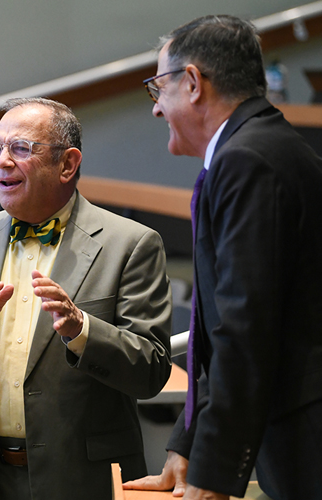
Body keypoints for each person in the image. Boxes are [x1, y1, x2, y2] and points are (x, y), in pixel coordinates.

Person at [0, 97, 172, 499]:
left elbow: (151, 370)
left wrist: (82, 330)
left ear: (67, 164)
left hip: (82, 480)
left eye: (20, 149)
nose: (1, 162)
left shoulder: (131, 244)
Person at [123, 15, 322, 500]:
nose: (156, 111)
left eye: (158, 90)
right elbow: (222, 329)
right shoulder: (260, 146)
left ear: (192, 83)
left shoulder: (248, 160)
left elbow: (245, 327)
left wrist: (212, 473)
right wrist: (188, 446)